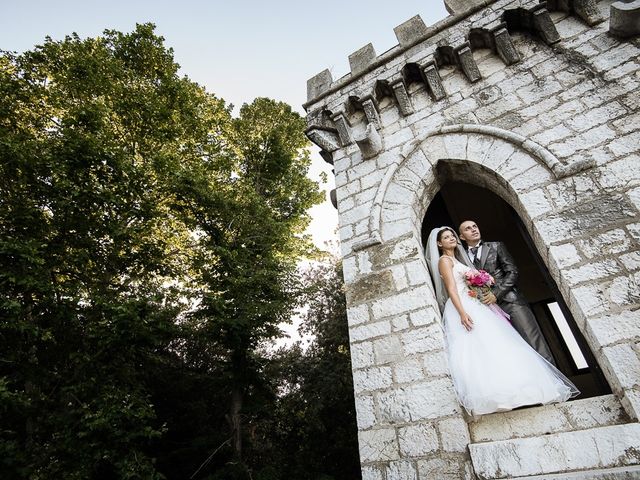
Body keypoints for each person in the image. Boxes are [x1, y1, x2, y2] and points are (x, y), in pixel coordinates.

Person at [425, 227, 578, 416]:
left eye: (453, 236)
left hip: (477, 304)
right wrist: (462, 313)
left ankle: (521, 392)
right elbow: (451, 289)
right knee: (479, 349)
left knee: (499, 344)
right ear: (439, 243)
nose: (451, 239)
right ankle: (496, 397)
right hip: (463, 307)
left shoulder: (458, 259)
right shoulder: (444, 260)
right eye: (446, 238)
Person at [458, 220, 556, 365]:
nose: (473, 229)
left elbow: (512, 272)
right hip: (486, 311)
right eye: (468, 229)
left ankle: (556, 385)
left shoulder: (496, 246)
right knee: (509, 350)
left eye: (475, 226)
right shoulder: (462, 258)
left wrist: (496, 294)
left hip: (511, 302)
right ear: (461, 237)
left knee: (534, 343)